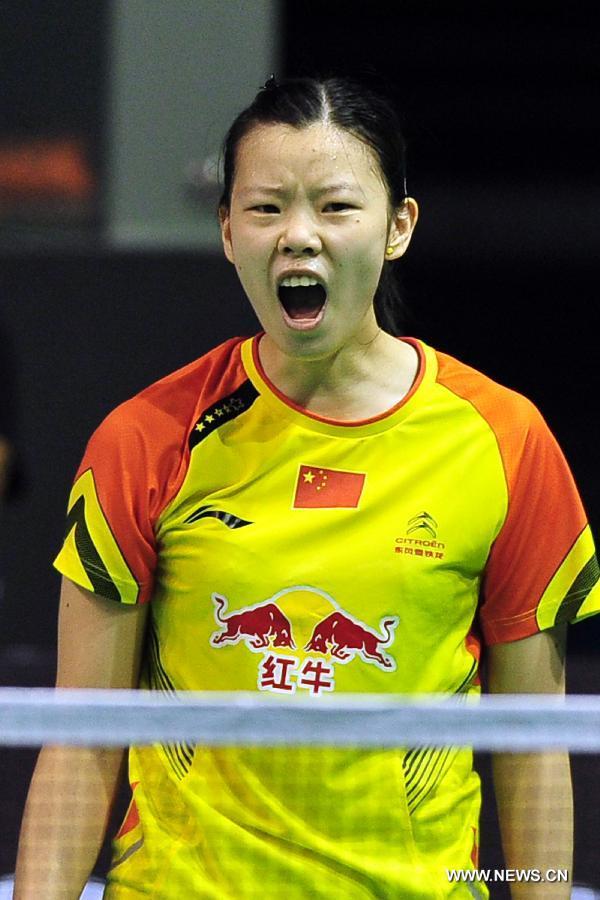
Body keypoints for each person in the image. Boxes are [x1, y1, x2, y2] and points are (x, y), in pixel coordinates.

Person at [15, 76, 599, 899]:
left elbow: (534, 745)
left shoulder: (504, 440)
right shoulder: (147, 437)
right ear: (225, 230)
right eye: (265, 209)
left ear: (398, 228)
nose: (298, 237)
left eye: (335, 207)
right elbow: (81, 742)